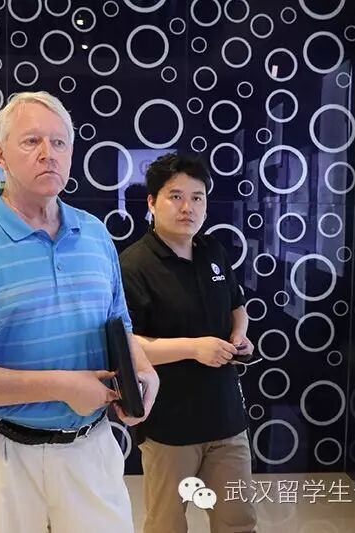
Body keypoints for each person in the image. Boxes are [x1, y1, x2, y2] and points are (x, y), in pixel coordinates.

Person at [0, 91, 160, 533]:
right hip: (3, 456)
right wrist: (62, 387)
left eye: (59, 142)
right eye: (32, 141)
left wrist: (143, 371)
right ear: (0, 154)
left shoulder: (95, 234)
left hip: (91, 448)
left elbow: (118, 324)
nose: (49, 153)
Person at [119, 153, 257, 533]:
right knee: (167, 524)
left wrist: (239, 335)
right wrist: (195, 348)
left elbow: (237, 306)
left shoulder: (213, 251)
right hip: (169, 426)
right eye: (175, 196)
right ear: (152, 202)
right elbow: (129, 344)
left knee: (239, 523)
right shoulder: (134, 265)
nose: (188, 208)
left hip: (226, 420)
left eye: (197, 198)